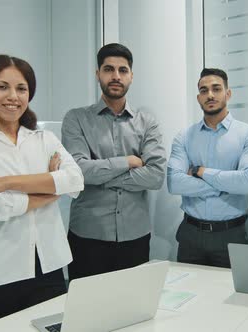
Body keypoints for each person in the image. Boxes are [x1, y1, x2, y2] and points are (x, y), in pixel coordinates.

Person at [0, 55, 84, 331]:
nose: (13, 96)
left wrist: (0, 183)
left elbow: (74, 179)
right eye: (2, 87)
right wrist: (46, 190)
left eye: (21, 89)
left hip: (48, 268)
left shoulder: (43, 138)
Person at [61, 43, 166, 279]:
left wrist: (101, 176)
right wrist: (128, 161)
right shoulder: (76, 118)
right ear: (98, 74)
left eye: (123, 70)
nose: (116, 76)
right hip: (87, 237)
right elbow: (78, 171)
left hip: (135, 238)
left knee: (133, 311)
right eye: (108, 69)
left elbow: (156, 175)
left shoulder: (146, 122)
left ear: (131, 76)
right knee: (87, 312)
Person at [167, 68, 248, 268]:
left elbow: (247, 184)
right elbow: (174, 183)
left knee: (231, 297)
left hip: (231, 235)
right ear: (198, 97)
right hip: (190, 235)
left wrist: (201, 172)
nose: (210, 95)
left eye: (216, 89)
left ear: (228, 93)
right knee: (188, 295)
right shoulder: (184, 137)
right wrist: (228, 185)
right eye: (204, 90)